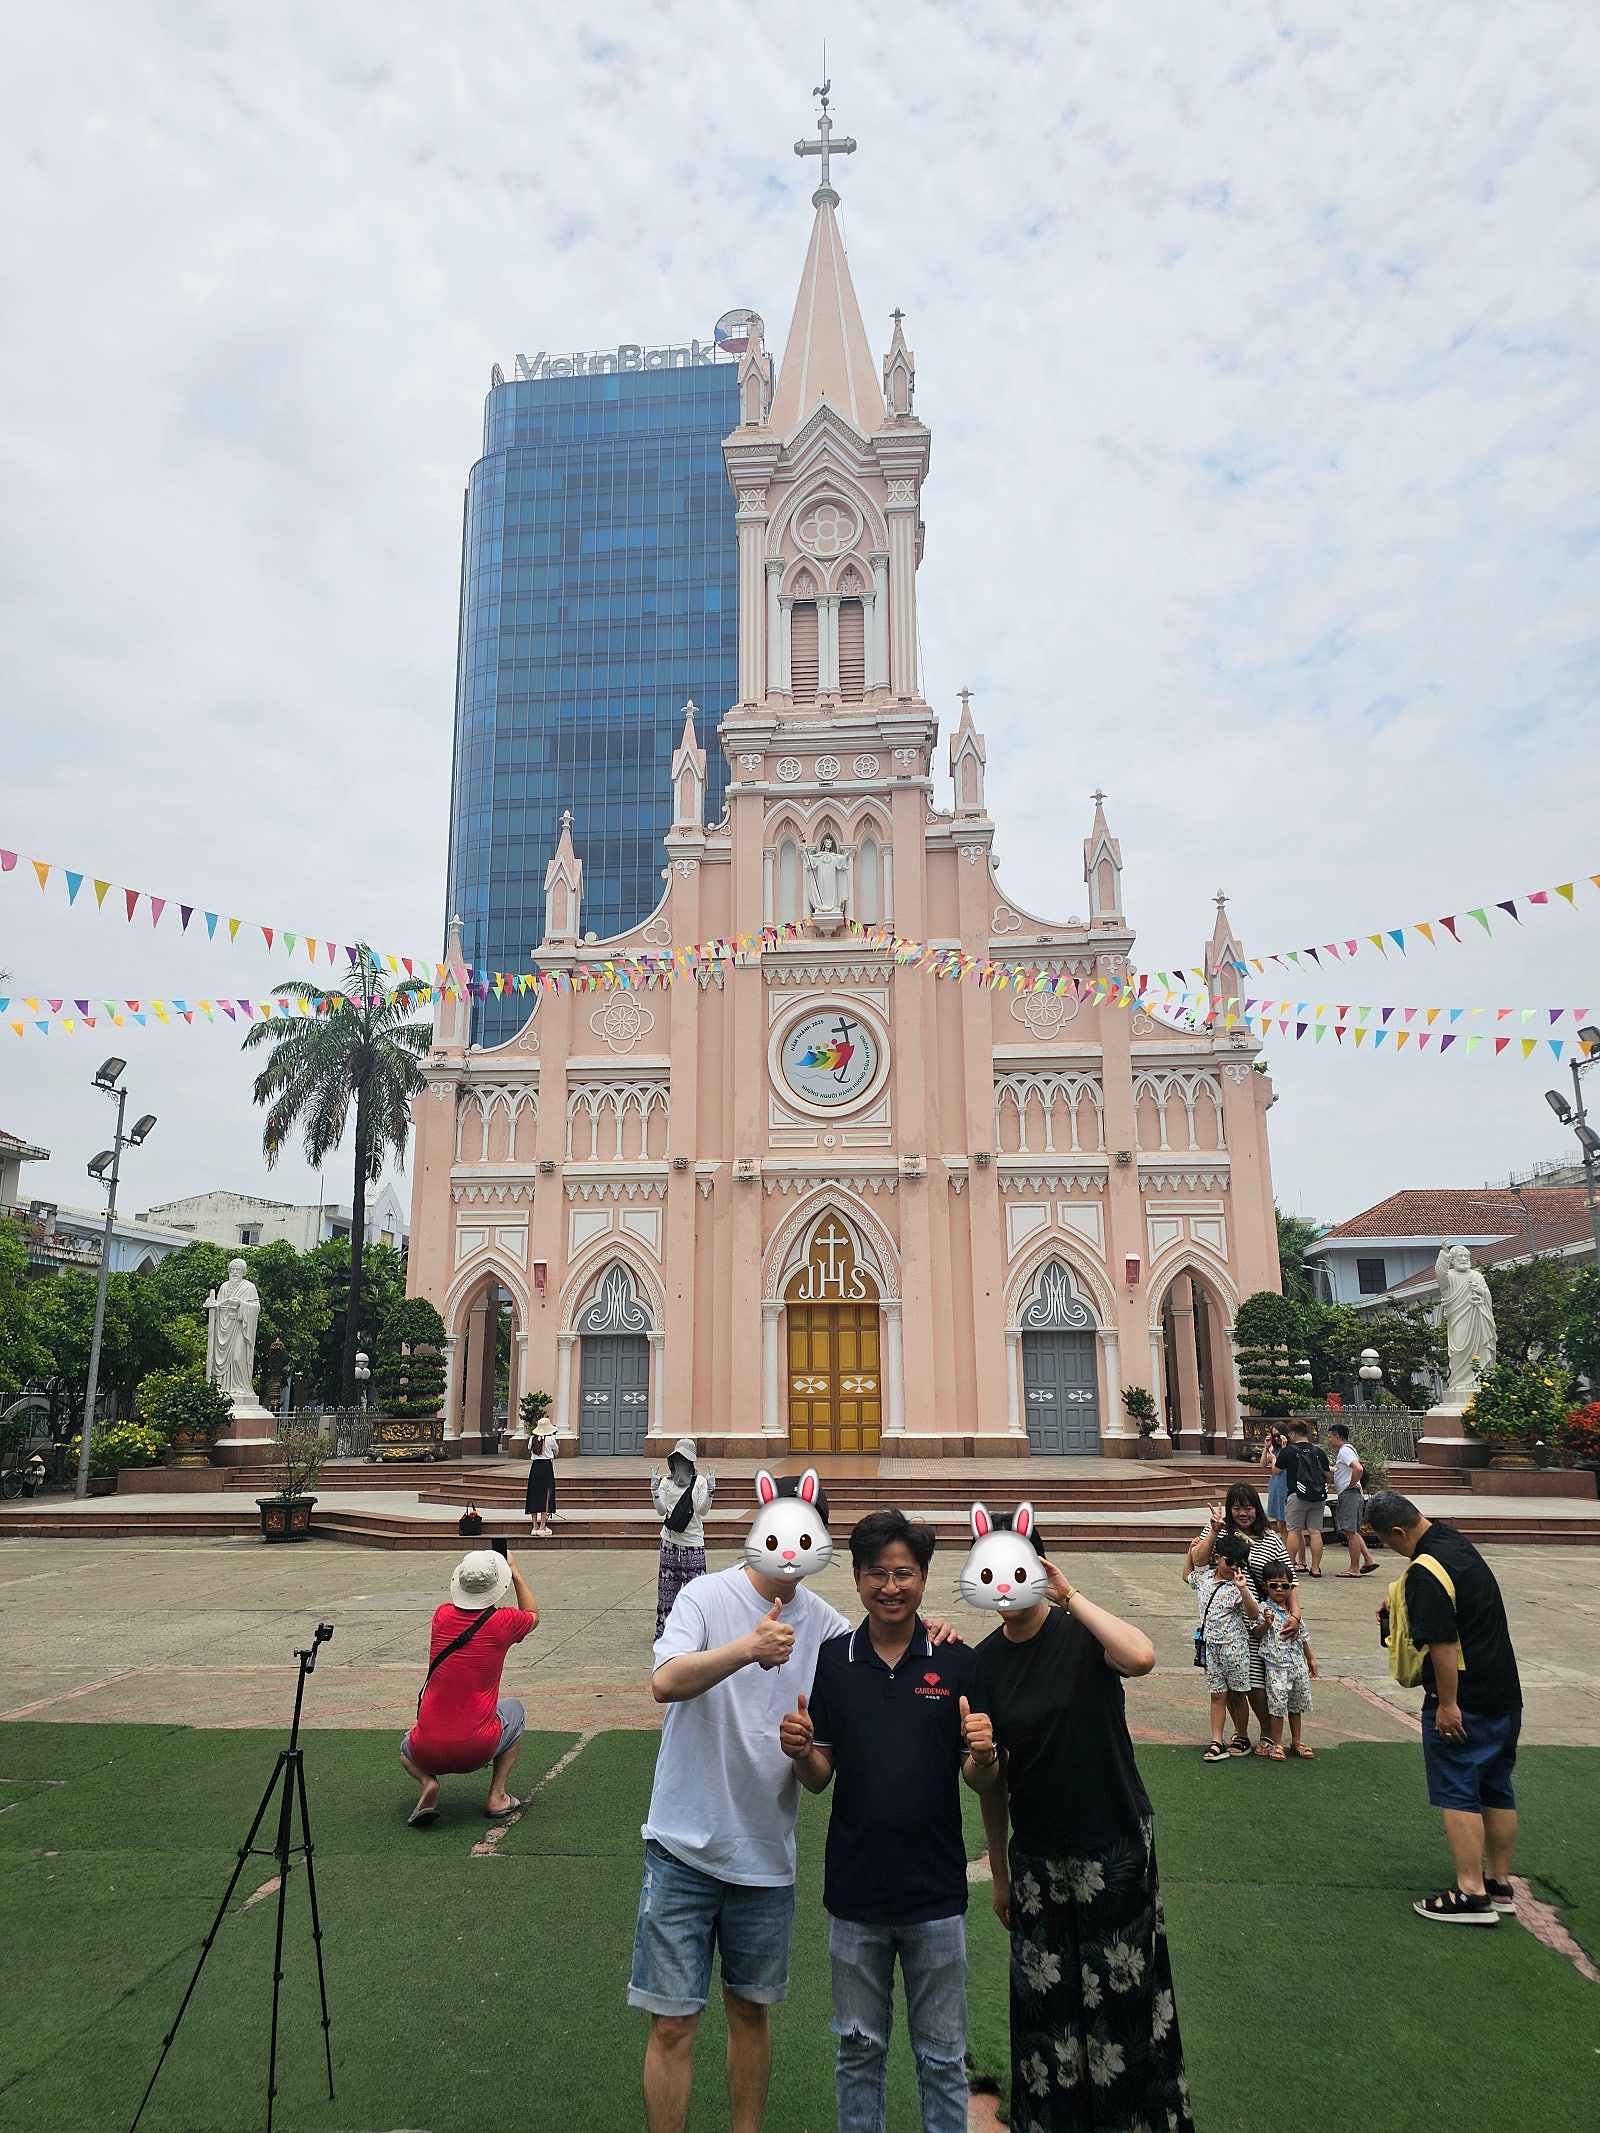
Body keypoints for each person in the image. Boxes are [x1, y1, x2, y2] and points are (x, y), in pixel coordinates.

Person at [628, 1478, 961, 2133]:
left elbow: (879, 1650)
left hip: (764, 1856)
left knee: (750, 2012)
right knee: (672, 2022)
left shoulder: (829, 1630)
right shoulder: (706, 1596)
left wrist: (932, 1632)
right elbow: (665, 1681)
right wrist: (747, 1649)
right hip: (682, 1846)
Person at [779, 1509, 998, 2133]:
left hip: (935, 1893)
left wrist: (985, 1754)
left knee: (943, 2057)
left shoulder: (956, 1662)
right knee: (858, 2053)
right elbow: (819, 1777)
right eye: (877, 1573)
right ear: (856, 1577)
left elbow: (978, 1777)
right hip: (856, 1893)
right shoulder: (835, 1660)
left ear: (924, 1578)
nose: (891, 1586)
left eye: (904, 1573)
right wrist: (800, 1752)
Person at [977, 1526, 1192, 2133]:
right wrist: (1000, 1874)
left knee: (1123, 2003)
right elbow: (992, 1781)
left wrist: (1070, 1596)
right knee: (1046, 2007)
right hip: (1037, 1857)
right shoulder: (984, 1662)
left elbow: (1141, 1657)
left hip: (1112, 1845)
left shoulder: (1082, 1634)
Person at [1367, 1491, 1523, 1925]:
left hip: (1464, 1699)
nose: (1393, 1550)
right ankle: (1499, 1884)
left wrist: (1448, 1704)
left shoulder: (1425, 1573)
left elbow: (1442, 1643)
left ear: (1398, 1531)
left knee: (1459, 1789)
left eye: (1388, 1542)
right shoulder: (1453, 1541)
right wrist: (1397, 1598)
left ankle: (1470, 1894)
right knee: (1496, 1786)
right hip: (1504, 1691)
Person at [401, 1547, 539, 1827]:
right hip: (477, 1748)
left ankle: (428, 1782)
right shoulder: (504, 1622)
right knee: (514, 1708)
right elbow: (532, 1614)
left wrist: (471, 1582)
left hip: (426, 1751)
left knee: (405, 1747)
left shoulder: (441, 1616)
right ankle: (497, 1796)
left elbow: (457, 1603)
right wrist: (515, 1574)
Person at [1183, 1480, 1300, 1750]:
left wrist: (1294, 1616)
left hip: (1261, 1616)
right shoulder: (1219, 1530)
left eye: (1248, 1508)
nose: (1243, 1514)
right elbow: (1198, 1560)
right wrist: (1213, 1531)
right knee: (1231, 1685)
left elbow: (1289, 1580)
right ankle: (1241, 1733)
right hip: (1227, 1621)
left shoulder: (1271, 1539)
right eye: (1237, 1508)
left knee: (1257, 1681)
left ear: (1257, 1509)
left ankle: (1268, 1733)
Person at [1188, 1531, 1261, 1761]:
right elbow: (1187, 1576)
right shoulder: (1204, 1579)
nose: (1234, 1568)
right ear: (1217, 1558)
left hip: (1234, 1648)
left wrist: (1243, 1588)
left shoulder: (1238, 1587)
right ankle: (1216, 1740)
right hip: (1210, 1647)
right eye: (1230, 1562)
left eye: (1240, 1564)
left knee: (1238, 1694)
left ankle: (1242, 1735)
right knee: (1217, 1694)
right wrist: (1191, 1552)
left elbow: (1254, 1614)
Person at [651, 1437, 717, 1638]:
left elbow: (702, 1511)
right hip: (669, 1542)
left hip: (693, 1544)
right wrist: (654, 1491)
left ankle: (697, 1631)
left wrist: (710, 1492)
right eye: (677, 1458)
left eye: (684, 1459)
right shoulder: (666, 1482)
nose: (680, 1463)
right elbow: (661, 1511)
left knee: (696, 1592)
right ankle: (665, 1631)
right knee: (667, 1591)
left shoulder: (700, 1482)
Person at [1256, 1570, 1317, 1760]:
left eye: (1284, 1585)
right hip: (1276, 1666)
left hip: (1297, 1664)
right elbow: (1257, 1632)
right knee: (1277, 1705)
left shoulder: (1294, 1613)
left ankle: (1296, 1741)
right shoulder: (1263, 1609)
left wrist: (1310, 1658)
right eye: (1274, 1585)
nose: (1279, 1589)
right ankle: (1277, 1743)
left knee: (1296, 1705)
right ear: (1266, 1586)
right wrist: (1267, 1623)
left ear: (1291, 1587)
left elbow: (1302, 1637)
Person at [1278, 1420, 1331, 1577]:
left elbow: (1276, 1471)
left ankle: (1289, 1566)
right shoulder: (1318, 1451)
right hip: (1317, 1496)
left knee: (1294, 1531)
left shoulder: (1288, 1451)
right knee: (1315, 1532)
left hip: (1297, 1495)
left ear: (1293, 1433)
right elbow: (1327, 1474)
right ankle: (1315, 1568)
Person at [1327, 1421, 1380, 1578]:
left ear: (1337, 1437)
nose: (1329, 1440)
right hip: (1350, 1494)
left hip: (1349, 1494)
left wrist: (1351, 1484)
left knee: (1350, 1532)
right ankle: (1368, 1559)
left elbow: (1358, 1468)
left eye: (1330, 1437)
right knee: (1352, 1531)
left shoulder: (1345, 1451)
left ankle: (1354, 1568)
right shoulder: (1347, 1451)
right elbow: (1342, 1469)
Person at [525, 1423, 559, 1537]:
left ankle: (534, 1526)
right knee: (546, 1497)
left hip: (535, 1468)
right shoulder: (551, 1439)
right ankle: (542, 1526)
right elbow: (556, 1452)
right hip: (546, 1467)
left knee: (533, 1495)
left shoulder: (532, 1439)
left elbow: (529, 1449)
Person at [1260, 1425, 1290, 1534]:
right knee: (1280, 1524)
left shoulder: (1289, 1449)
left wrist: (1283, 1447)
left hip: (1286, 1484)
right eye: (1274, 1436)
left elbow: (1279, 1466)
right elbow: (1263, 1464)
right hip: (1276, 1485)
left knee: (1290, 1524)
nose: (1276, 1438)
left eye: (1278, 1435)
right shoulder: (1275, 1449)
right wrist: (1266, 1447)